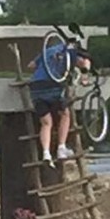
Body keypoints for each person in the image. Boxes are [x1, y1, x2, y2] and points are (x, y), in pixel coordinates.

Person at [27, 32, 91, 163]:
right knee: (65, 114)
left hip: (36, 88)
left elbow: (31, 66)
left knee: (46, 122)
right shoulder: (71, 50)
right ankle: (61, 148)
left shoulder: (48, 50)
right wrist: (85, 76)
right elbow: (84, 62)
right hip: (53, 87)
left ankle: (46, 153)